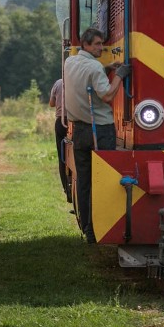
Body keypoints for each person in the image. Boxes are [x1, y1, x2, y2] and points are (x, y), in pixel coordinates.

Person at [63, 27, 130, 243]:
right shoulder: (94, 68)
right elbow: (107, 95)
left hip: (79, 131)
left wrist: (105, 67)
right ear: (86, 45)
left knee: (84, 181)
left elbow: (88, 74)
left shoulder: (70, 62)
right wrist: (118, 75)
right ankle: (103, 226)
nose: (101, 47)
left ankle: (88, 229)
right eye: (97, 44)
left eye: (101, 43)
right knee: (103, 180)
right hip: (99, 131)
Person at [48, 78, 70, 201]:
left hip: (61, 121)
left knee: (62, 157)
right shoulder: (77, 79)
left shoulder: (57, 83)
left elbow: (51, 103)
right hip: (75, 121)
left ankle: (66, 189)